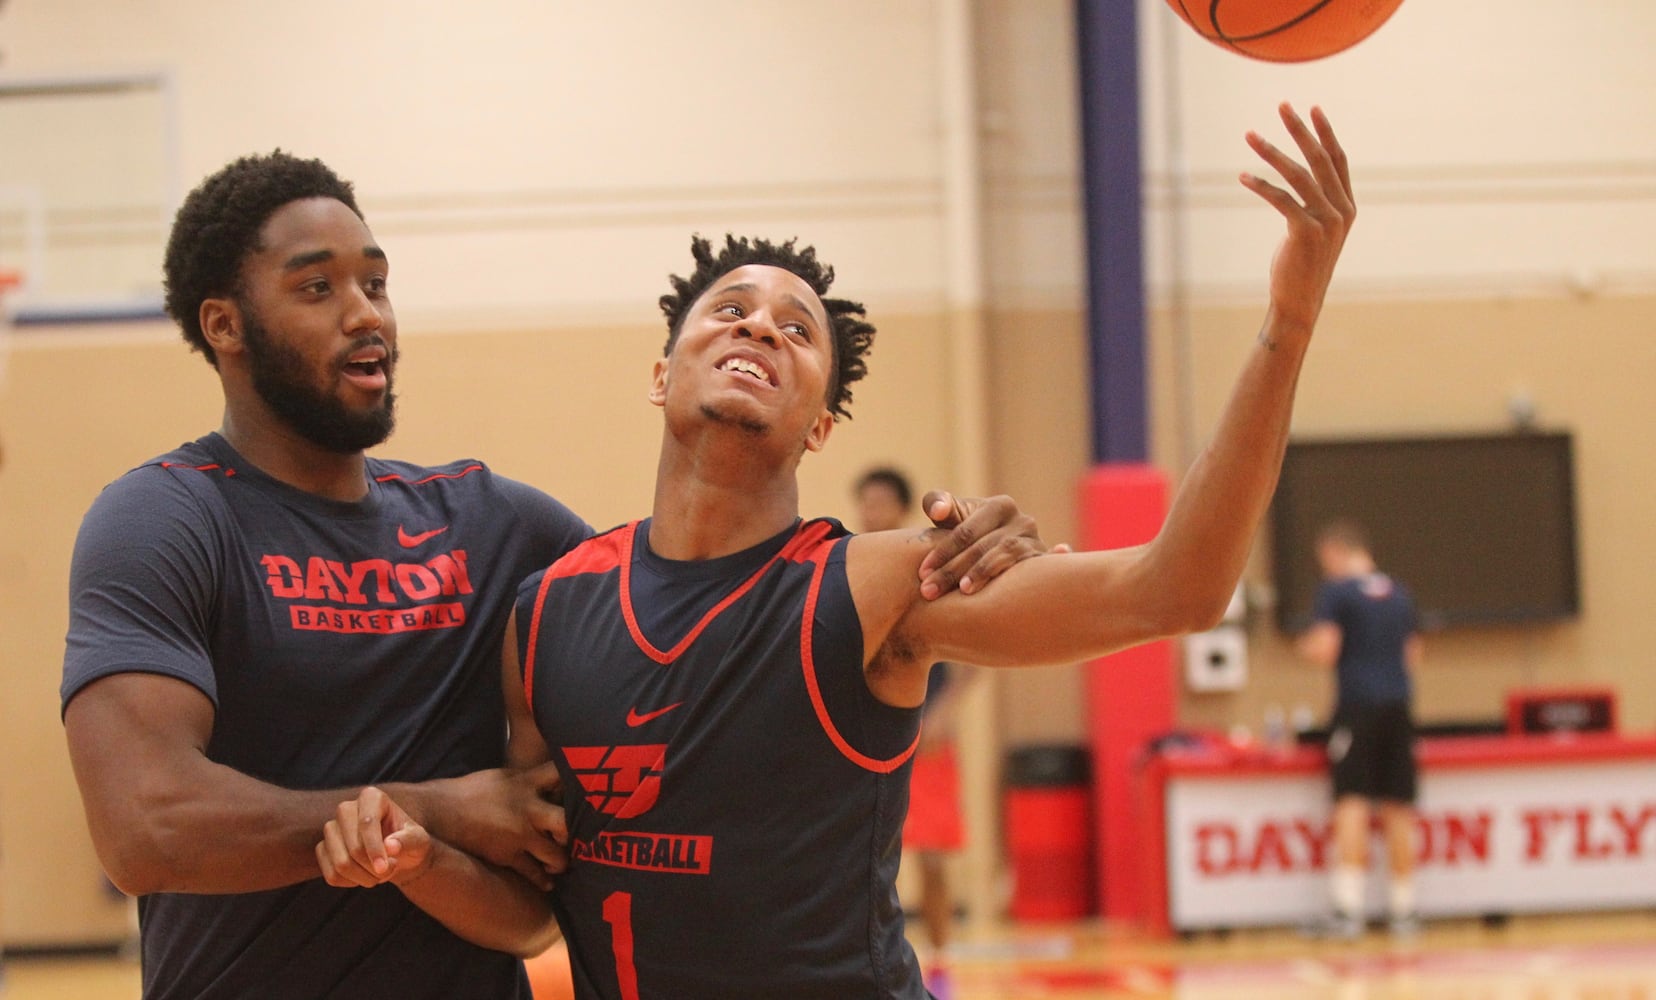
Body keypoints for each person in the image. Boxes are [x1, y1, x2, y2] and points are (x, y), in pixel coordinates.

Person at [324, 101, 1353, 998]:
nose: (760, 327)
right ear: (662, 372)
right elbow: (533, 907)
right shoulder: (548, 612)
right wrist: (417, 861)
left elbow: (1171, 589)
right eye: (729, 310)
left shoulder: (873, 585)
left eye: (797, 328)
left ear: (820, 425)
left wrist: (1291, 323)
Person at [59, 150, 1049, 999]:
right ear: (225, 326)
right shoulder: (167, 517)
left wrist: (969, 547)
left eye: (377, 281)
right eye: (318, 288)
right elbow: (148, 827)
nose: (366, 315)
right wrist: (437, 803)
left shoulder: (495, 523)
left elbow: (715, 617)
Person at [853, 466, 974, 999]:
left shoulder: (929, 565)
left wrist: (944, 712)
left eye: (882, 501)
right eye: (866, 501)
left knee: (931, 857)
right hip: (872, 736)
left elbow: (971, 651)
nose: (872, 510)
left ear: (900, 508)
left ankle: (942, 962)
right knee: (869, 858)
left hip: (926, 737)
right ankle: (874, 962)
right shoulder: (852, 562)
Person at [1295, 518, 1423, 939]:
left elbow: (1326, 648)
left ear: (1334, 552)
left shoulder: (1337, 593)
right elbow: (1413, 657)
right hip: (1399, 707)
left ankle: (1348, 909)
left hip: (1357, 708)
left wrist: (1305, 646)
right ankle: (1403, 909)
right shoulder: (1399, 594)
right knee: (1397, 803)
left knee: (1351, 799)